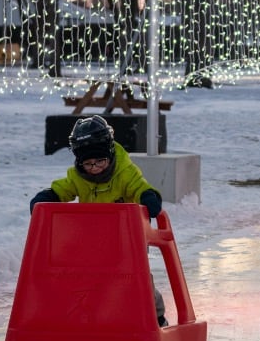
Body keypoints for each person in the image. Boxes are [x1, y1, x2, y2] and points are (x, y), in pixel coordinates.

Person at [29, 115, 169, 326]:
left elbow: (139, 187)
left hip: (126, 240)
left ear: (110, 155)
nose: (95, 168)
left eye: (100, 161)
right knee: (84, 278)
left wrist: (149, 196)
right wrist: (49, 196)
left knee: (136, 281)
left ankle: (156, 315)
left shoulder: (125, 173)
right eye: (88, 163)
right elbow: (64, 188)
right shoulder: (78, 177)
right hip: (91, 240)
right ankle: (87, 316)